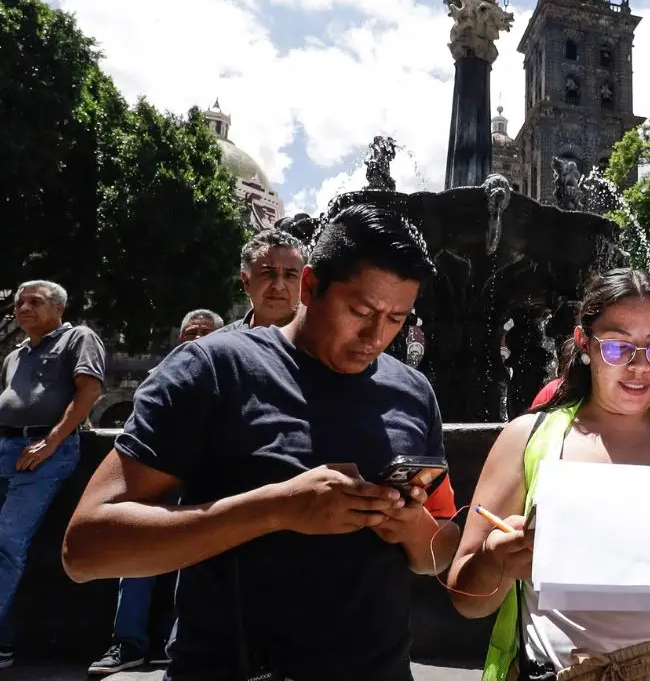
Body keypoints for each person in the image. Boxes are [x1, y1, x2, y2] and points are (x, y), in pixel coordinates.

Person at [62, 203, 461, 681]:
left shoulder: (414, 393)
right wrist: (275, 509)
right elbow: (84, 550)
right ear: (310, 287)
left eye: (397, 318)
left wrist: (409, 525)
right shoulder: (210, 369)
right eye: (360, 311)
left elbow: (439, 552)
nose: (376, 337)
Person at [448, 268, 650, 681]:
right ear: (583, 344)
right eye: (617, 347)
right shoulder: (527, 438)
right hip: (554, 669)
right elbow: (466, 600)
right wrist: (495, 560)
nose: (639, 365)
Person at [87, 308, 226, 675]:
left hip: (204, 480)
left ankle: (174, 642)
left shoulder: (232, 375)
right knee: (136, 558)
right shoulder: (161, 375)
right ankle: (128, 642)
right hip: (156, 475)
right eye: (190, 332)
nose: (196, 337)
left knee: (194, 558)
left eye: (206, 332)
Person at [0, 280, 105, 669]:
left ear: (59, 308)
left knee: (7, 541)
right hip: (7, 449)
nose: (22, 308)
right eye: (18, 302)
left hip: (45, 453)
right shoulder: (15, 354)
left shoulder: (78, 337)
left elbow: (89, 391)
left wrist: (51, 443)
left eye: (34, 302)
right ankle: (4, 642)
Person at [215, 229, 306, 333]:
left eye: (290, 275)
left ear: (303, 282)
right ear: (246, 280)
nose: (278, 286)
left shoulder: (323, 343)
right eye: (268, 273)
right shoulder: (217, 346)